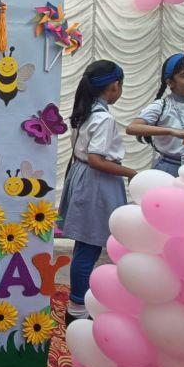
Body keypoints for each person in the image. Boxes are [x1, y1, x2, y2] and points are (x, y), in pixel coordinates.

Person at [59, 60, 137, 325]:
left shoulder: (85, 111)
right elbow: (96, 159)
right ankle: (77, 308)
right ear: (114, 86)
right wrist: (131, 172)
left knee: (85, 245)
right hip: (95, 182)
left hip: (83, 177)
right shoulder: (104, 118)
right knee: (89, 247)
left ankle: (78, 304)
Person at [126, 53, 184, 176]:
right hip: (169, 167)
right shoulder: (162, 105)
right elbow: (132, 128)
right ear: (170, 82)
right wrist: (172, 131)